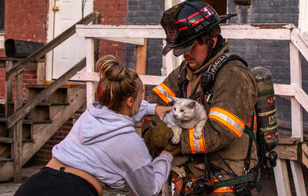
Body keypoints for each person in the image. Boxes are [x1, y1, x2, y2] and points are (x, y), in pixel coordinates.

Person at [142, 0, 260, 195]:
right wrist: (150, 128)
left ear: (211, 41)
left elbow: (220, 132)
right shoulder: (186, 71)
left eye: (191, 46)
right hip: (194, 179)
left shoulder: (233, 75)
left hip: (225, 181)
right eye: (181, 49)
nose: (185, 54)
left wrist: (173, 141)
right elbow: (155, 101)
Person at [14, 55, 176, 196]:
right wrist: (167, 156)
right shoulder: (130, 143)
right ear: (130, 101)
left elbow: (121, 111)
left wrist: (153, 108)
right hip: (72, 191)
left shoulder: (91, 114)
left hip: (34, 184)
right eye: (141, 95)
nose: (143, 98)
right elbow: (148, 190)